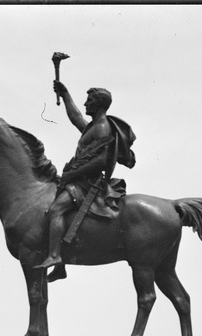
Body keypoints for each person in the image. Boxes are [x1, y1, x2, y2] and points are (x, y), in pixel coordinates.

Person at [35, 82, 135, 282]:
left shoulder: (102, 128)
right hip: (79, 179)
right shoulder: (93, 126)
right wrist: (64, 95)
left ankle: (55, 256)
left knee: (55, 210)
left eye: (89, 101)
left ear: (97, 105)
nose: (85, 104)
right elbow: (76, 117)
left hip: (87, 183)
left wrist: (74, 174)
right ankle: (60, 269)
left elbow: (100, 161)